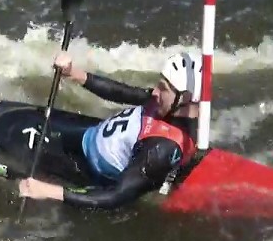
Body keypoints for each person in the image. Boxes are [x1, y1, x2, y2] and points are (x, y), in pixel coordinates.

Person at [17, 50, 201, 209]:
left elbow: (117, 196)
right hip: (90, 135)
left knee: (21, 154)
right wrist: (73, 73)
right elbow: (122, 92)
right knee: (28, 123)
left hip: (91, 170)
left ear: (185, 98)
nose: (154, 92)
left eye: (163, 88)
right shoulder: (167, 103)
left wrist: (49, 191)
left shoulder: (162, 148)